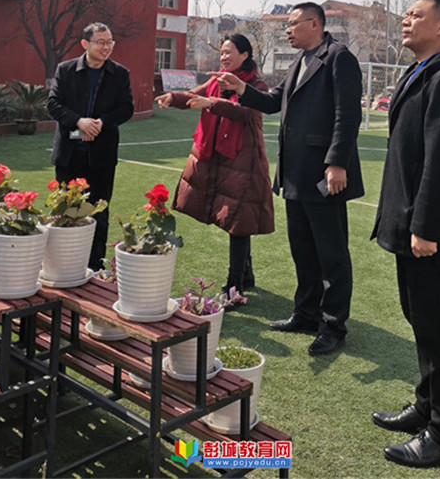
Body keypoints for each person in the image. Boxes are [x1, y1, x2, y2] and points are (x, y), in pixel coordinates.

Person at [370, 0, 440, 469]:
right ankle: (425, 408)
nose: (405, 20)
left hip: (428, 234)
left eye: (416, 15)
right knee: (421, 322)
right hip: (409, 224)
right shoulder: (422, 72)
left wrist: (426, 227)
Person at [216, 3, 363, 357]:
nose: (287, 30)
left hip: (323, 173)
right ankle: (306, 313)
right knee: (303, 249)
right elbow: (272, 102)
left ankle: (333, 325)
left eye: (293, 23)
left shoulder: (338, 57)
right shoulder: (299, 60)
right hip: (295, 173)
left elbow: (347, 114)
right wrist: (241, 88)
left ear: (315, 24)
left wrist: (337, 162)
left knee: (331, 254)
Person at [155, 34, 274, 297]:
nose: (223, 57)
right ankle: (246, 276)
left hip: (244, 158)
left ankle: (235, 283)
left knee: (237, 218)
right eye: (221, 52)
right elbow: (193, 96)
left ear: (245, 54)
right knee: (235, 218)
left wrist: (211, 103)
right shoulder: (216, 80)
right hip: (218, 156)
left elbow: (245, 112)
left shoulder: (257, 84)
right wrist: (172, 97)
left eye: (228, 52)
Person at [47, 22, 134, 271]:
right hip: (69, 155)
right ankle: (64, 265)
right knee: (65, 210)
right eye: (101, 42)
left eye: (110, 42)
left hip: (101, 157)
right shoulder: (65, 70)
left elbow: (126, 108)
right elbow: (53, 104)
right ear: (85, 44)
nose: (107, 47)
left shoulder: (120, 74)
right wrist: (79, 121)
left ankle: (95, 268)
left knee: (99, 213)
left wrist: (100, 123)